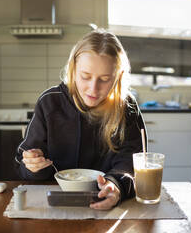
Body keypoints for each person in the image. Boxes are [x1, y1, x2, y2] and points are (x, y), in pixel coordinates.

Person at [15, 29, 146, 210]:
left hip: (107, 205)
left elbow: (132, 164)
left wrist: (116, 186)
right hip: (54, 204)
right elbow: (23, 166)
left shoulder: (126, 107)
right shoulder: (50, 102)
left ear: (118, 77)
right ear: (73, 70)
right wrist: (33, 165)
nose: (93, 89)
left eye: (105, 79)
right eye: (85, 76)